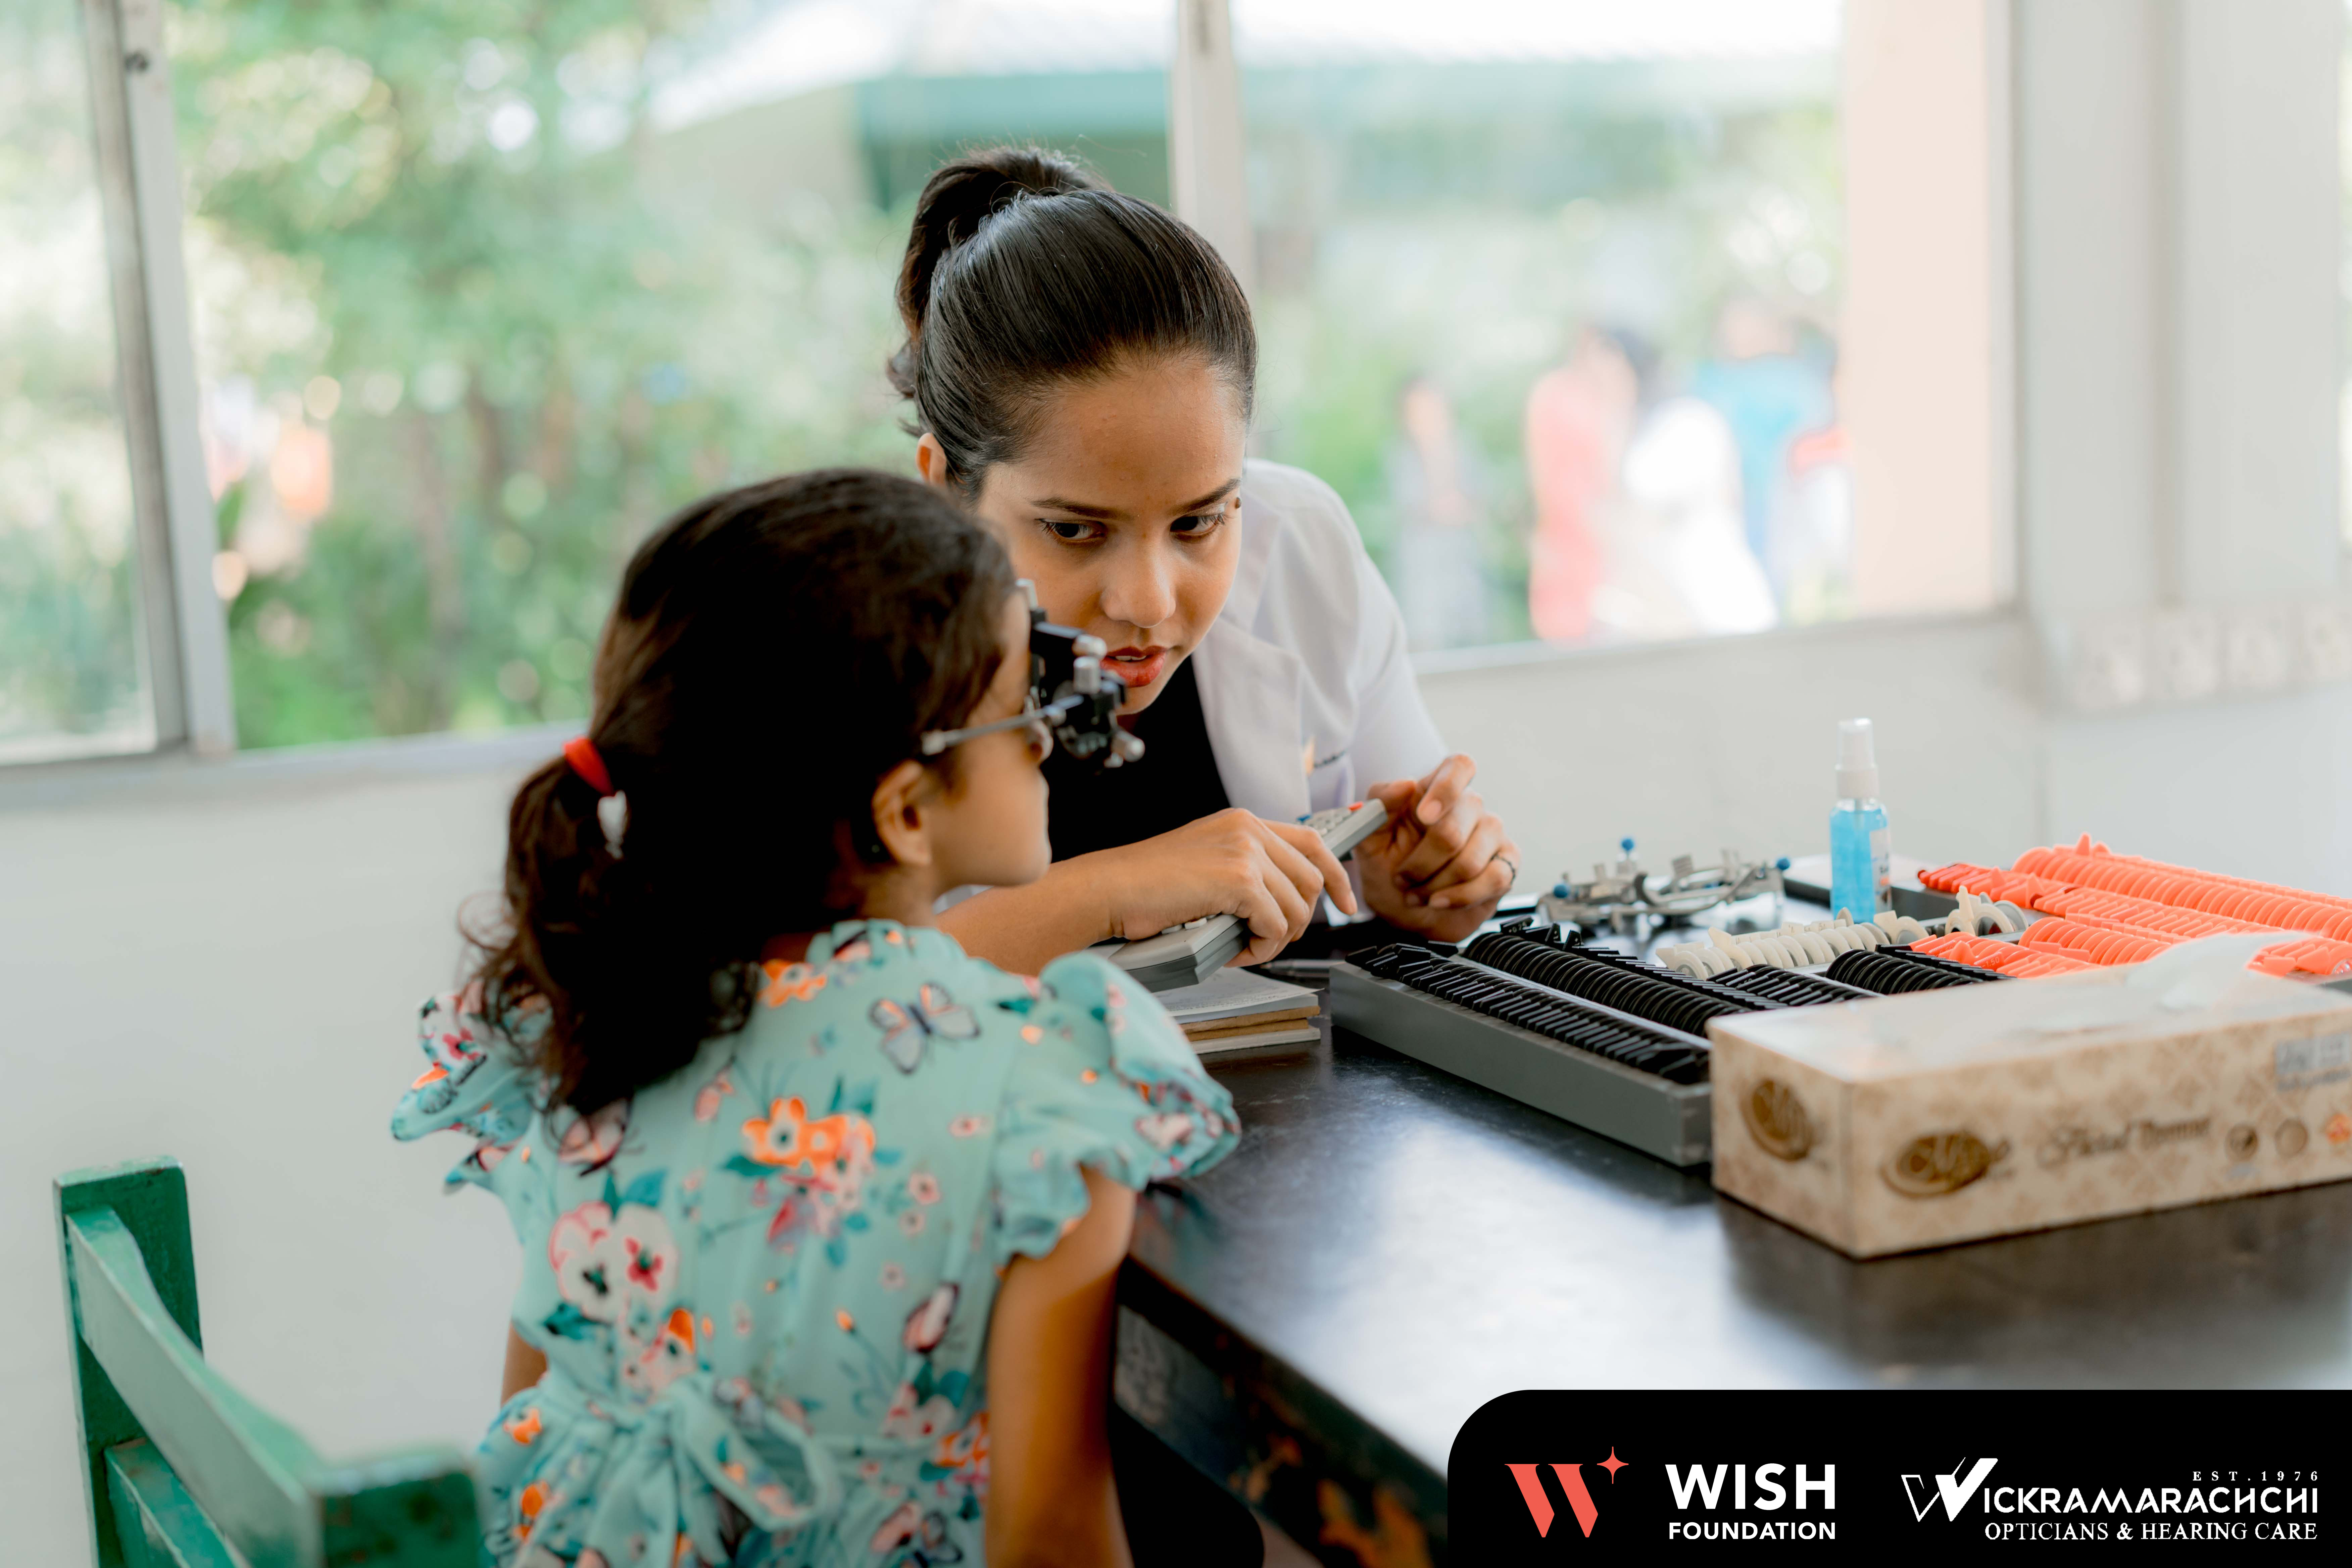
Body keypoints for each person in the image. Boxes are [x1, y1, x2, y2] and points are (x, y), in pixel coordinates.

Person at [390, 470, 1238, 1567]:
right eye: (1018, 706)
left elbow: (528, 1439)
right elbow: (1053, 1540)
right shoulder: (1039, 1090)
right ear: (902, 809)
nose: (1048, 738)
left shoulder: (587, 1026)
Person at [889, 148, 1520, 976]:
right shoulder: (851, 644)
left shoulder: (1298, 541)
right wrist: (1112, 889)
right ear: (947, 491)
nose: (1148, 601)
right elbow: (792, 1004)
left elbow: (1400, 851)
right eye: (1075, 531)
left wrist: (1415, 885)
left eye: (1199, 521)